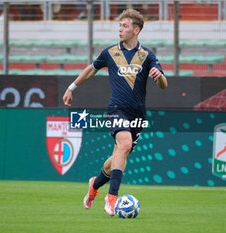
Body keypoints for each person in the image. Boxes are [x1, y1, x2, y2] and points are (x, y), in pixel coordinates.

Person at [62, 9, 167, 216]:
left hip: (138, 115)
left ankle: (94, 185)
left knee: (119, 154)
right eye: (120, 25)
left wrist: (159, 76)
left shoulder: (147, 55)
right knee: (124, 144)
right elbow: (91, 69)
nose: (120, 29)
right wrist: (71, 87)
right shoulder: (109, 53)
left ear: (136, 30)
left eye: (125, 26)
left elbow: (163, 85)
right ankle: (112, 199)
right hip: (116, 110)